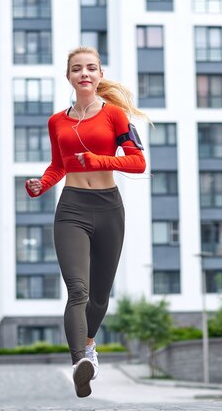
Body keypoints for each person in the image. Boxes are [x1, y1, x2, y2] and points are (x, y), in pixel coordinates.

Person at [25, 46, 147, 398]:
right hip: (72, 208)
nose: (84, 74)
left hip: (109, 208)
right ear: (69, 77)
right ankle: (80, 362)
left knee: (99, 297)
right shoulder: (57, 121)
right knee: (78, 289)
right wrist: (41, 184)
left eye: (91, 68)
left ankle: (89, 346)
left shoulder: (115, 117)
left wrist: (97, 161)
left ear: (100, 75)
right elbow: (59, 165)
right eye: (77, 69)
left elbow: (137, 162)